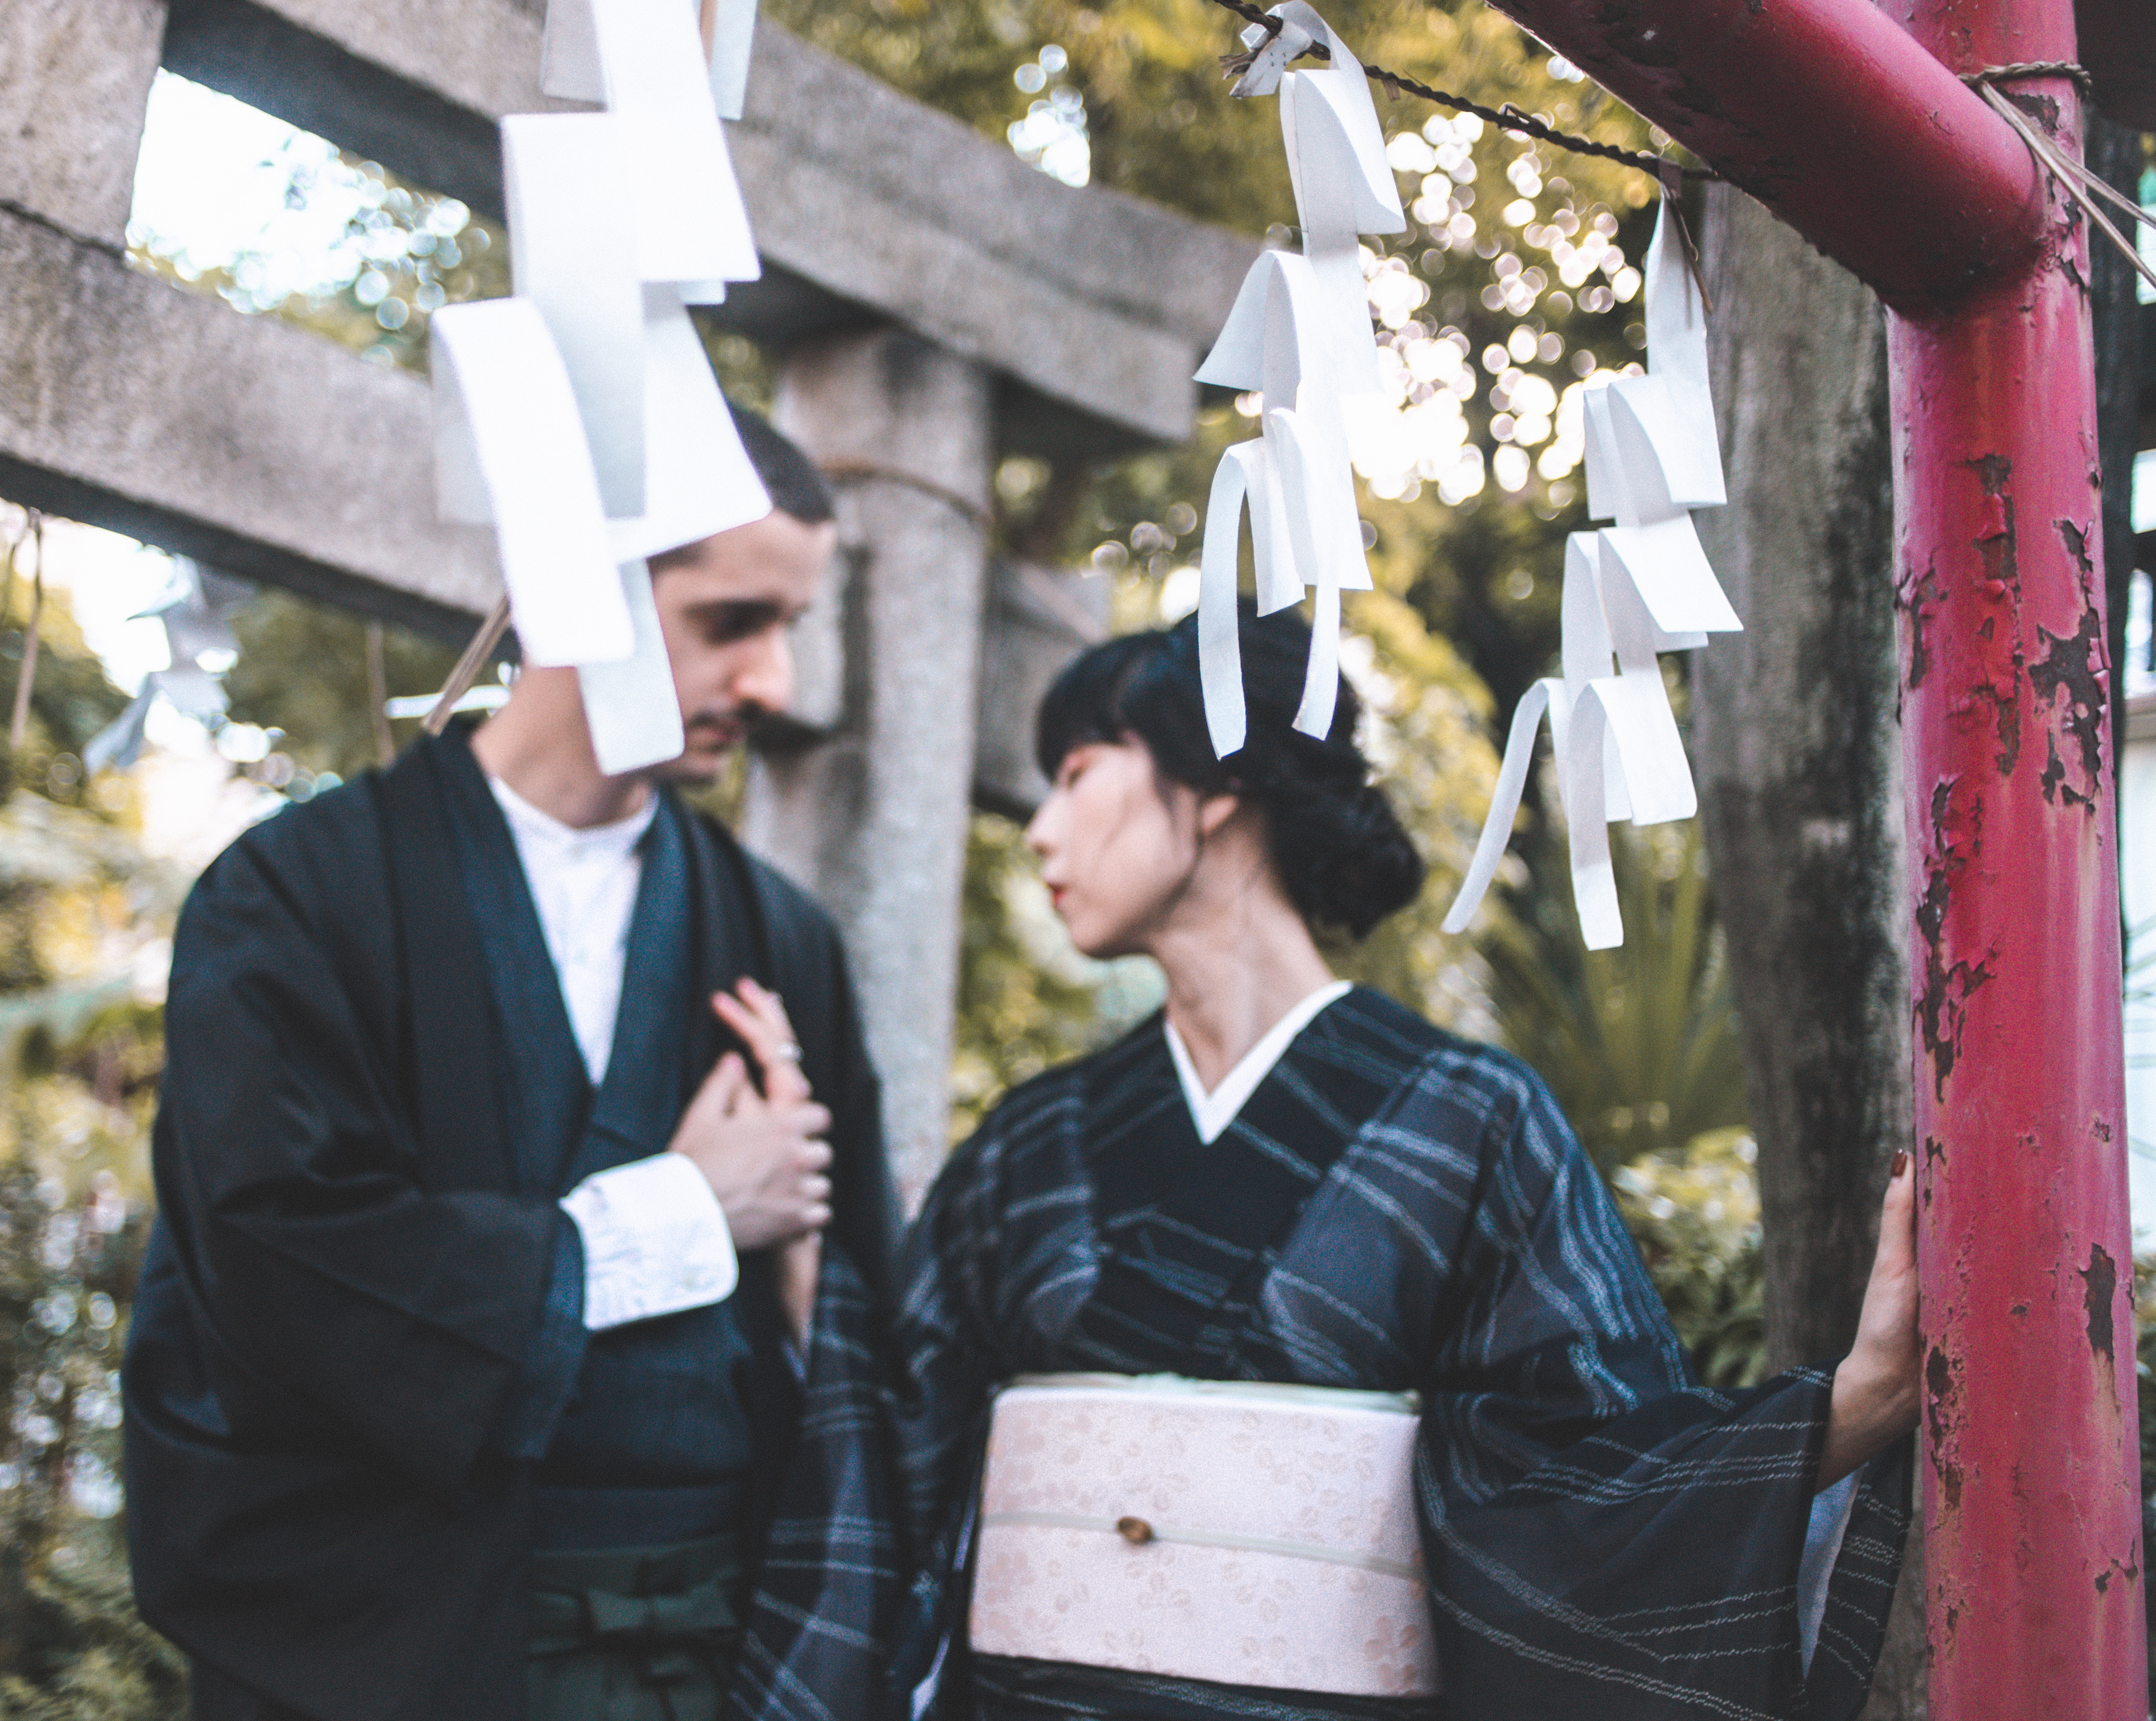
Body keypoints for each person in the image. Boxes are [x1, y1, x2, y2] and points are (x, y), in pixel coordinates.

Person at [891, 607, 1919, 1721]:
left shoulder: (1469, 1120)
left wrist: (1855, 1401)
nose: (1039, 829)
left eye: (1076, 773)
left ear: (1218, 776)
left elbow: (1582, 1485)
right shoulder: (1022, 1141)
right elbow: (883, 1464)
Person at [125, 410, 900, 1721]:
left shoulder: (783, 940)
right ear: (574, 589)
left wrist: (814, 1275)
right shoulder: (300, 897)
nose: (771, 683)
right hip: (401, 1639)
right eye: (730, 623)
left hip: (713, 1646)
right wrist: (678, 1215)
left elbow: (865, 1294)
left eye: (790, 628)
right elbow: (279, 1262)